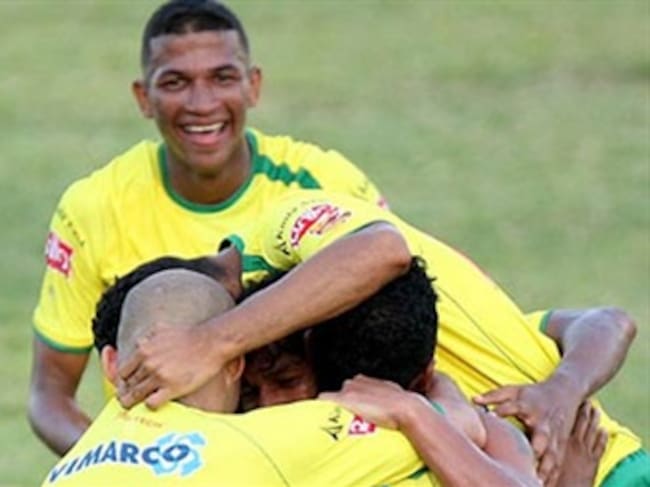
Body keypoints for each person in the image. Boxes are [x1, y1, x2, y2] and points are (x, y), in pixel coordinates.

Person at [29, 0, 387, 456]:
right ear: (143, 97)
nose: (202, 104)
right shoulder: (94, 207)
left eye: (222, 78)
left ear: (253, 85)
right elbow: (50, 396)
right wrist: (125, 465)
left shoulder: (324, 184)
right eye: (175, 82)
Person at [117, 190, 648, 486]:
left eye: (284, 381)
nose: (267, 402)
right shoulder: (429, 410)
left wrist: (561, 391)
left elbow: (382, 251)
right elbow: (607, 322)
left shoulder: (288, 242)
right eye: (253, 390)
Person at [45, 266, 540, 486]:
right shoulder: (271, 441)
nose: (264, 402)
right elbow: (464, 431)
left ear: (112, 364)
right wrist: (428, 405)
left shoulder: (77, 458)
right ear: (234, 364)